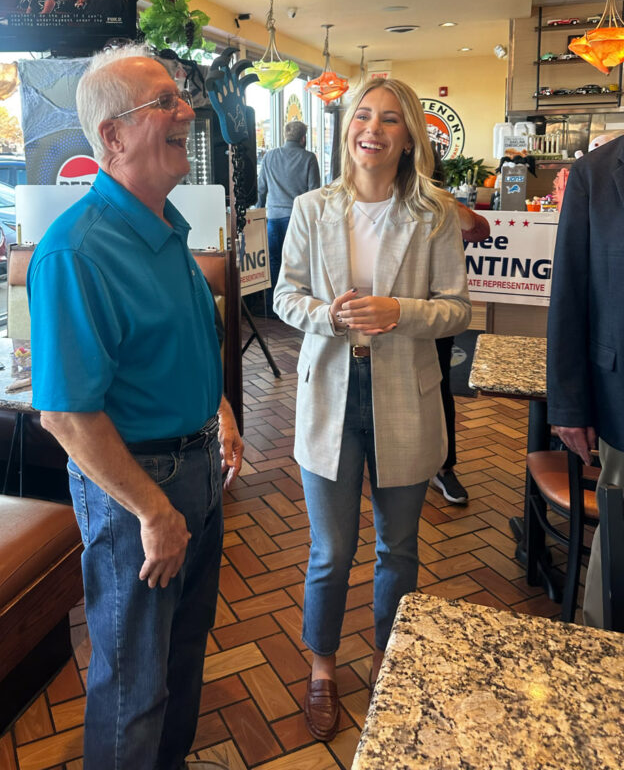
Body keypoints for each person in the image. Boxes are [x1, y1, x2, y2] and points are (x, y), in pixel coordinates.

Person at [27, 45, 243, 770]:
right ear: (113, 137)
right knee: (134, 685)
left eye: (181, 98)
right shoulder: (76, 251)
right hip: (137, 493)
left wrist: (222, 412)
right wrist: (154, 511)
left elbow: (183, 340)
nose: (187, 110)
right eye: (166, 102)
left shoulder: (165, 224)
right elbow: (65, 415)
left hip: (198, 468)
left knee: (182, 660)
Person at [274, 79, 470, 742]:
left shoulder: (435, 213)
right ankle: (323, 668)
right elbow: (284, 296)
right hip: (329, 393)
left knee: (399, 548)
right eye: (363, 116)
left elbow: (456, 309)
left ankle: (390, 662)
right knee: (330, 551)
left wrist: (400, 313)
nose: (374, 129)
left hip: (404, 398)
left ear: (409, 134)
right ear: (347, 128)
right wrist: (326, 316)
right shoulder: (311, 207)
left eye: (390, 119)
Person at [547, 132, 624, 628]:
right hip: (620, 399)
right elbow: (570, 292)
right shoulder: (595, 174)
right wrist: (570, 404)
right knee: (619, 555)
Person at [430, 152, 491, 505]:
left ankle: (443, 466)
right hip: (379, 317)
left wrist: (453, 208)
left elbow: (481, 230)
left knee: (438, 385)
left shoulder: (440, 202)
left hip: (436, 312)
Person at [257, 119, 320, 298]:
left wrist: (258, 211)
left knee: (274, 261)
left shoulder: (269, 156)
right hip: (297, 219)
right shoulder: (308, 158)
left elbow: (261, 188)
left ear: (286, 136)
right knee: (297, 262)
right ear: (303, 138)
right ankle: (294, 302)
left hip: (273, 218)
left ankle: (273, 303)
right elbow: (314, 192)